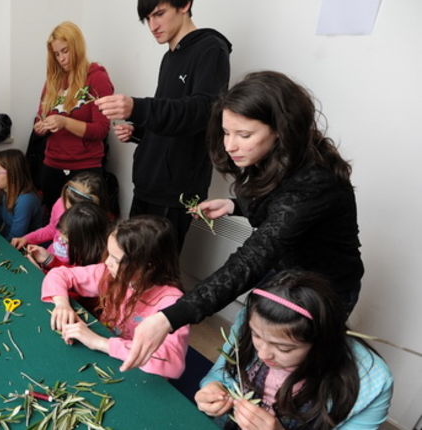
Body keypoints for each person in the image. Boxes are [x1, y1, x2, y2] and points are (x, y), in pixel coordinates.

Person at [120, 71, 365, 374]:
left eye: (244, 135)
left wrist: (170, 317)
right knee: (237, 356)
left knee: (277, 372)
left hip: (320, 290)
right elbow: (278, 206)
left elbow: (253, 257)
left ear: (280, 130)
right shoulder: (281, 158)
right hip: (282, 271)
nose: (230, 145)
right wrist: (234, 205)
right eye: (226, 132)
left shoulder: (315, 181)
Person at [95, 0, 231, 251]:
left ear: (184, 5)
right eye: (147, 19)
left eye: (159, 14)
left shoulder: (211, 49)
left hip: (174, 193)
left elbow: (203, 112)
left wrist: (137, 108)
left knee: (156, 270)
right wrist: (139, 132)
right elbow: (172, 116)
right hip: (147, 185)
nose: (153, 26)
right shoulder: (170, 57)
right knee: (131, 262)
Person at [196, 271, 392, 429]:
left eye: (284, 348)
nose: (263, 354)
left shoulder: (371, 382)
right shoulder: (252, 322)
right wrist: (212, 389)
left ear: (321, 343)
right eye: (257, 336)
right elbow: (219, 376)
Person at [41, 216, 188, 379]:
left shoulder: (173, 304)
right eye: (109, 254)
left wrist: (99, 342)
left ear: (148, 266)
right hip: (107, 353)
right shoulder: (109, 273)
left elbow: (171, 363)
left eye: (116, 259)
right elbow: (58, 275)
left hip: (136, 373)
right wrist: (62, 304)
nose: (107, 262)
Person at [33, 21, 114, 212]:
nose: (61, 58)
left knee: (82, 226)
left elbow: (101, 130)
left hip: (84, 170)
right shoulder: (53, 81)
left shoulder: (97, 78)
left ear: (77, 46)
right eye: (56, 54)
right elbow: (39, 118)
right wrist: (40, 127)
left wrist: (65, 122)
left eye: (65, 51)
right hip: (52, 165)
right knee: (53, 222)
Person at [12, 171, 109, 265]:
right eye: (66, 208)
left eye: (73, 212)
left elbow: (79, 272)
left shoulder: (97, 241)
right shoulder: (61, 203)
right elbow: (52, 229)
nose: (68, 214)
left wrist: (51, 262)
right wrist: (27, 239)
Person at [0, 149, 43, 240]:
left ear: (13, 173)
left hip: (23, 246)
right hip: (6, 239)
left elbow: (15, 239)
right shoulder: (3, 190)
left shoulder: (26, 201)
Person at [26, 201, 110, 272]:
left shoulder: (95, 267)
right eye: (61, 231)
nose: (60, 238)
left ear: (86, 243)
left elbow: (73, 278)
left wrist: (42, 272)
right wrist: (48, 260)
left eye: (67, 241)